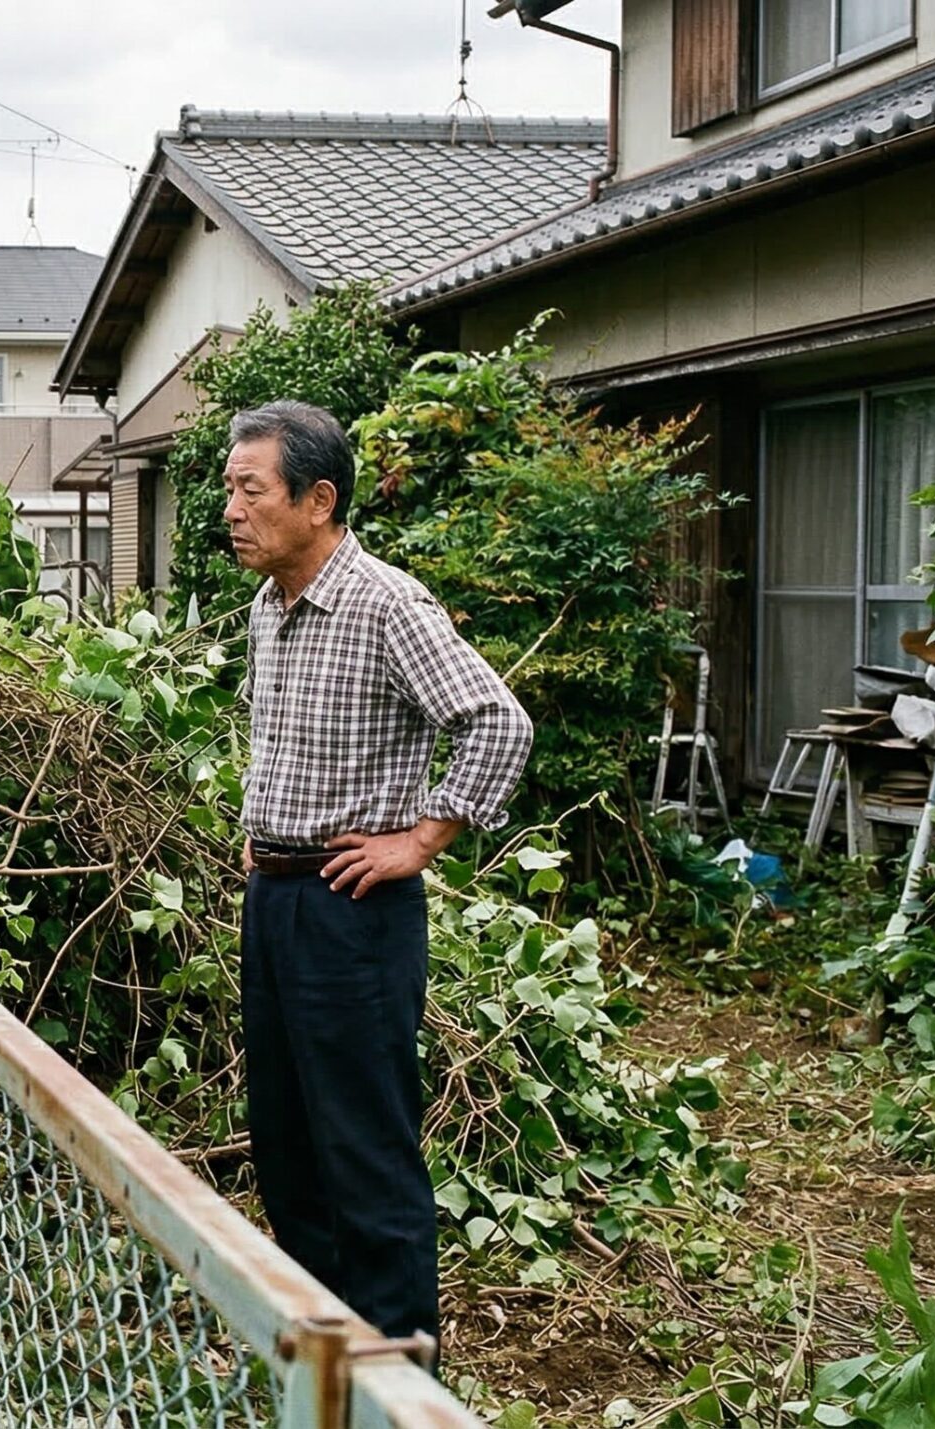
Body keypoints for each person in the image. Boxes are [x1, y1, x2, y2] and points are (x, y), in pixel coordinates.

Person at [224, 399, 531, 1352]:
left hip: (354, 913)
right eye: (228, 491)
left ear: (319, 500)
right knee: (286, 1148)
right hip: (276, 901)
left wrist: (424, 838)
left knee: (364, 1152)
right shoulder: (266, 608)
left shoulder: (386, 601)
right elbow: (279, 737)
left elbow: (497, 721)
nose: (231, 511)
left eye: (251, 490)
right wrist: (262, 833)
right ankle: (327, 1368)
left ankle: (403, 1384)